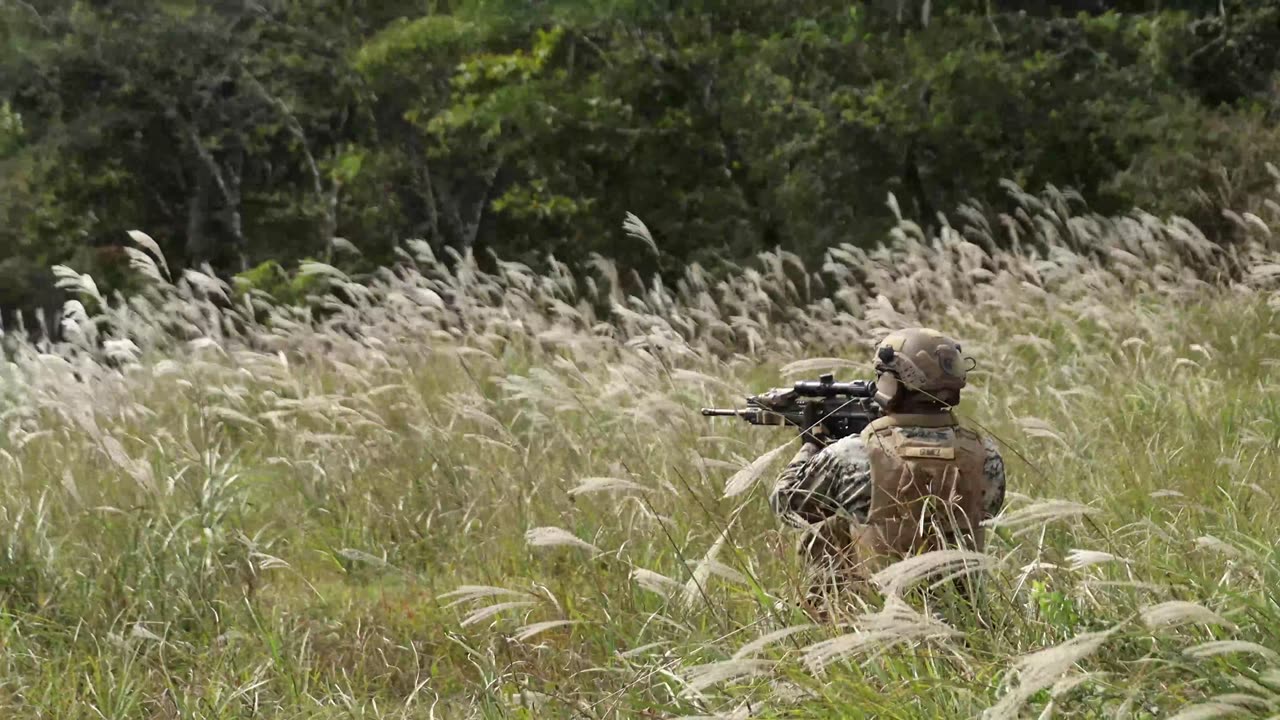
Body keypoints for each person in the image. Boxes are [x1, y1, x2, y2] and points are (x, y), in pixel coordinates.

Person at [768, 328, 1005, 617]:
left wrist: (810, 444)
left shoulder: (853, 453)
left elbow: (786, 505)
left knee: (824, 528)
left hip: (876, 626)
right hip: (966, 623)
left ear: (892, 382)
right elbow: (983, 512)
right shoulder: (984, 453)